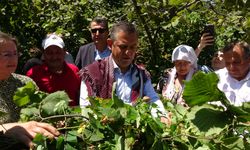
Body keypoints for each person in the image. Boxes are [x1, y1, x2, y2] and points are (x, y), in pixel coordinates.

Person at [79, 21, 170, 124]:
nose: (128, 53)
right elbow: (86, 109)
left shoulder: (141, 75)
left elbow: (152, 99)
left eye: (132, 47)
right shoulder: (92, 73)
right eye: (123, 47)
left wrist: (162, 115)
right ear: (110, 44)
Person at [0, 32, 59, 147]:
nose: (13, 59)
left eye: (16, 53)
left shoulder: (25, 83)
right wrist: (6, 128)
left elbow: (41, 113)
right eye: (7, 55)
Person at [26, 34, 81, 106]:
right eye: (50, 53)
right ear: (43, 53)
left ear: (64, 52)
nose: (54, 57)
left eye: (58, 52)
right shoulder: (33, 74)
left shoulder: (74, 70)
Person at [216, 41, 250, 106]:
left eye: (236, 62)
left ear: (248, 61)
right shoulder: (216, 78)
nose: (231, 67)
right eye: (227, 63)